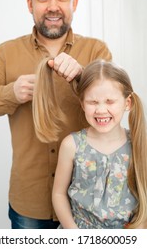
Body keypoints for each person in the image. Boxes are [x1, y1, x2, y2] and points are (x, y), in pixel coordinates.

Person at [0, 0, 112, 229]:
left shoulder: (97, 50)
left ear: (75, 2)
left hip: (87, 199)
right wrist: (10, 94)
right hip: (29, 202)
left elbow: (115, 112)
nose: (52, 7)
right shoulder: (6, 53)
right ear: (30, 4)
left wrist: (84, 79)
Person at [52, 60, 147, 229]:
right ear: (82, 103)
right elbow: (58, 194)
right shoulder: (72, 145)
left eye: (110, 101)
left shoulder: (139, 145)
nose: (101, 110)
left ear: (127, 103)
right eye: (93, 102)